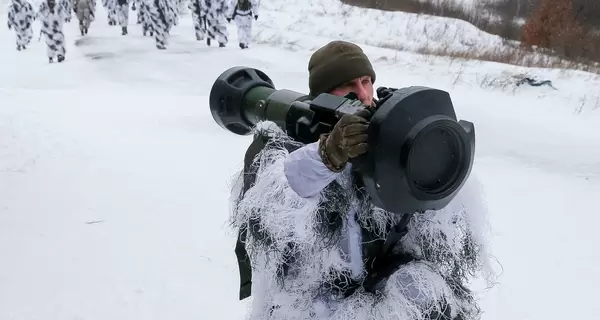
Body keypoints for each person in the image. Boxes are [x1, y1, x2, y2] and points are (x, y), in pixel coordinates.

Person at [228, 40, 495, 320]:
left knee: (425, 292)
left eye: (366, 81)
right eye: (347, 86)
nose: (363, 94)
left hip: (373, 288)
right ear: (324, 95)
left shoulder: (386, 131)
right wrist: (328, 154)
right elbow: (276, 209)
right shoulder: (282, 146)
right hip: (309, 300)